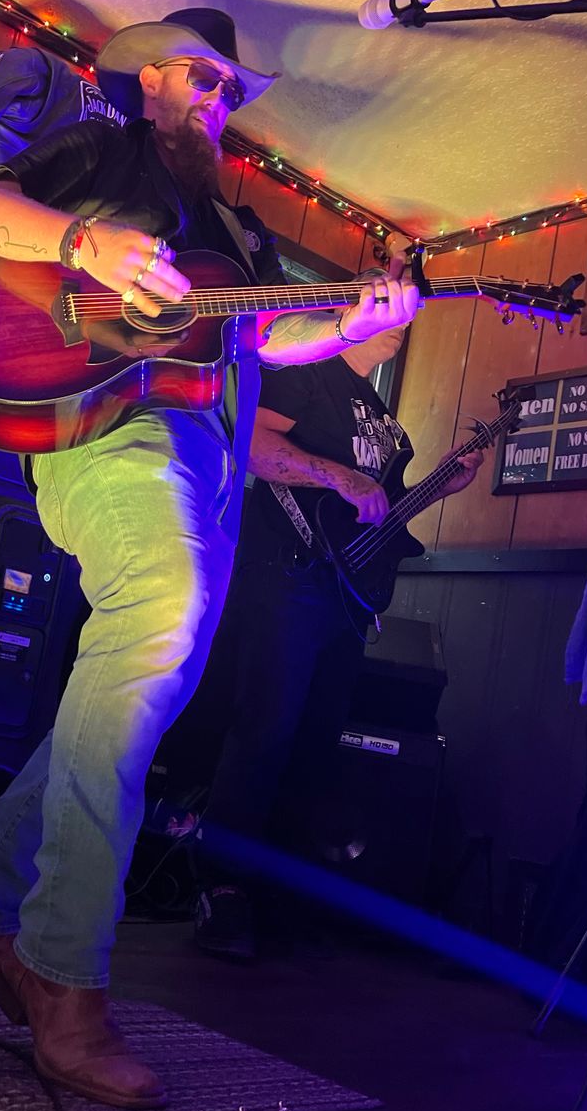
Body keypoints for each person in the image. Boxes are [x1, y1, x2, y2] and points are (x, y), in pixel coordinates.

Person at [0, 8, 420, 1108]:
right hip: (110, 425)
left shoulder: (236, 228)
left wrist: (353, 324)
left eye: (231, 90)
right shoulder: (102, 150)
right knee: (159, 618)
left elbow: (263, 333)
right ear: (146, 79)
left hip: (212, 459)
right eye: (200, 77)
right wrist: (85, 243)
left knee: (145, 684)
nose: (217, 101)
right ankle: (60, 969)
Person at [190, 295, 484, 960]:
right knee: (265, 731)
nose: (402, 326)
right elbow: (254, 446)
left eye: (409, 318)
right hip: (286, 574)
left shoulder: (390, 428)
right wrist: (337, 474)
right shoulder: (308, 372)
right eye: (392, 311)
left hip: (346, 598)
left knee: (317, 742)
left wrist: (441, 485)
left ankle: (278, 890)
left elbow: (383, 512)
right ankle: (221, 887)